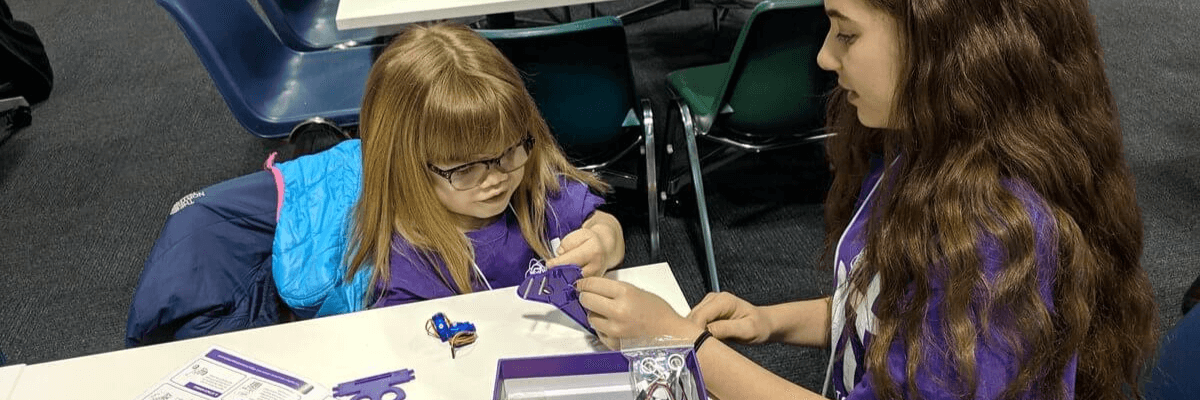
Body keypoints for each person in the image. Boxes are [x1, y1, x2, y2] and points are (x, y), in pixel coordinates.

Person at [575, 0, 1157, 399]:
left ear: (946, 40)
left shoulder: (993, 238)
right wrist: (772, 321)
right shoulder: (917, 151)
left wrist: (683, 346)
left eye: (847, 33)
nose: (826, 57)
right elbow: (889, 314)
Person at [269, 22, 624, 317]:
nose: (497, 178)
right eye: (467, 168)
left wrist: (603, 243)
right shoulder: (406, 258)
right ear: (409, 169)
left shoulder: (534, 192)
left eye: (511, 149)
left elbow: (605, 226)